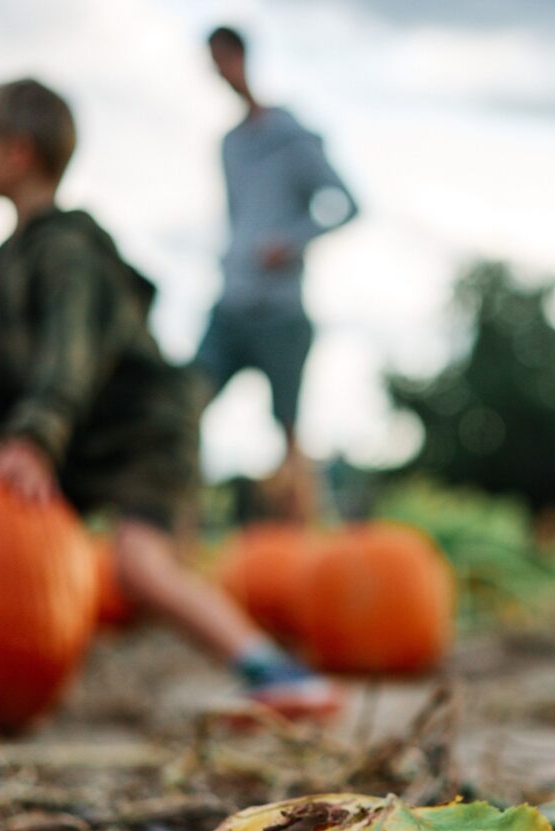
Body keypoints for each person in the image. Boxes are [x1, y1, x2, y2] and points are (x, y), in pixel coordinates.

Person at [0, 77, 339, 718]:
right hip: (84, 425)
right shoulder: (7, 261)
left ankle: (280, 673)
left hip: (145, 422)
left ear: (18, 152)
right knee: (16, 542)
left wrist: (37, 435)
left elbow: (67, 350)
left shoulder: (69, 248)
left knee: (139, 567)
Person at [194, 25, 359, 523]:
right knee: (185, 405)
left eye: (224, 59)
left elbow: (347, 205)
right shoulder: (228, 145)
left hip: (281, 311)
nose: (219, 71)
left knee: (287, 429)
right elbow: (235, 217)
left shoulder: (292, 137)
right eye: (212, 62)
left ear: (243, 58)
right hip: (231, 303)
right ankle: (178, 529)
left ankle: (301, 542)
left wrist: (291, 243)